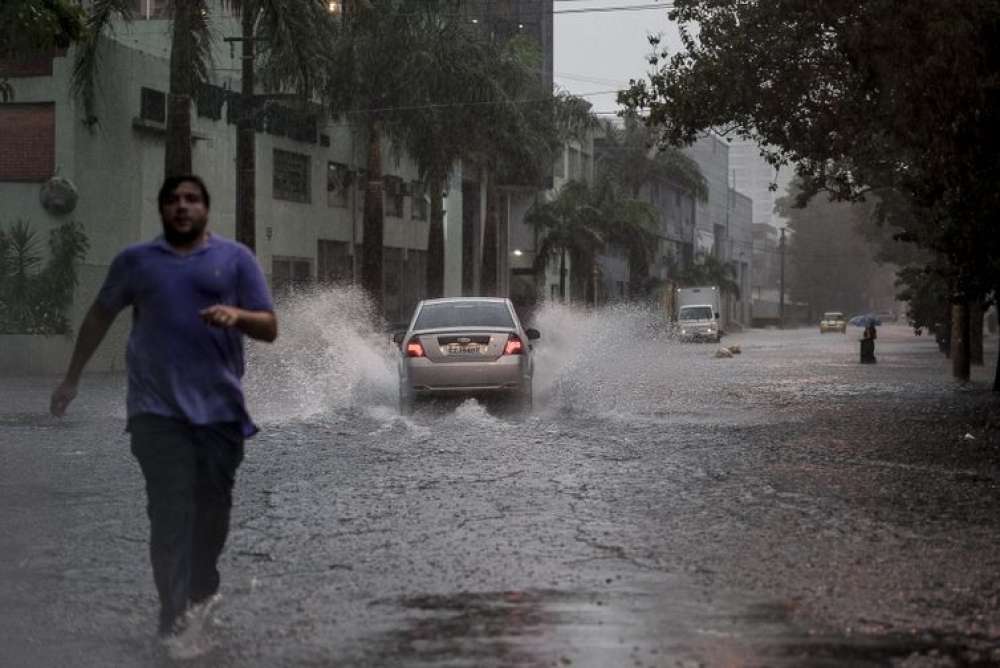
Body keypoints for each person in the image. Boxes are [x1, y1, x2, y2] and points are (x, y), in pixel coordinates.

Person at [49, 175, 277, 657]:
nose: (182, 207)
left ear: (205, 209)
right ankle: (172, 617)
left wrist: (237, 317)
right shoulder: (136, 262)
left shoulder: (235, 260)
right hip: (156, 413)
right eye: (172, 200)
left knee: (210, 520)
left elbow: (270, 326)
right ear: (161, 210)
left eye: (191, 199)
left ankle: (200, 590)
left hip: (219, 415)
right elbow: (98, 316)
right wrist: (72, 378)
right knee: (169, 513)